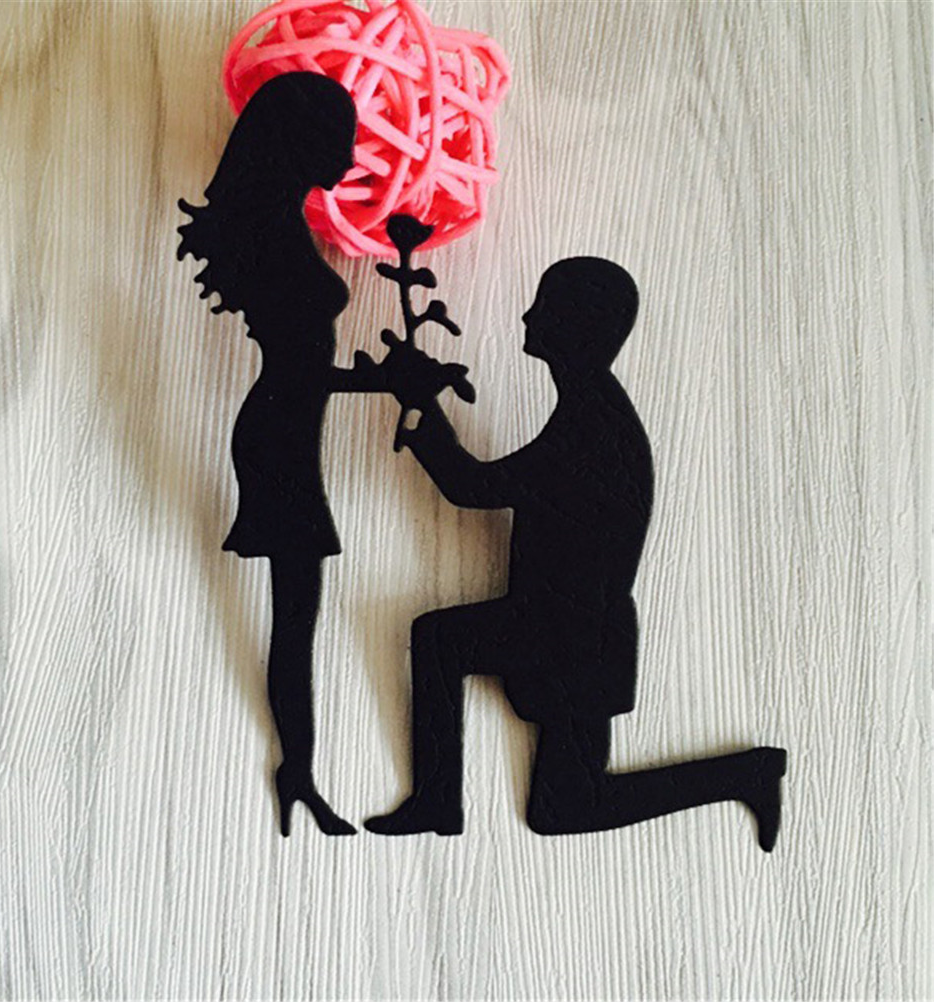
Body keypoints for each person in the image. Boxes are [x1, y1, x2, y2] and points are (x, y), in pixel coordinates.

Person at [365, 258, 787, 850]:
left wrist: (420, 406)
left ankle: (437, 800)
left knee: (441, 641)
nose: (527, 316)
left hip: (569, 635)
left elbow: (473, 488)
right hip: (579, 632)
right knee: (564, 806)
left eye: (544, 308)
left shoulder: (592, 428)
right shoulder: (590, 412)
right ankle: (746, 773)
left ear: (575, 327)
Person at [179, 73, 408, 835]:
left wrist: (379, 381)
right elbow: (302, 370)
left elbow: (306, 367)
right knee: (298, 613)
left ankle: (299, 772)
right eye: (343, 138)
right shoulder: (272, 235)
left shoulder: (278, 226)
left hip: (284, 427)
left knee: (299, 611)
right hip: (280, 438)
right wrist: (382, 382)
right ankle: (298, 772)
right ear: (303, 145)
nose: (352, 155)